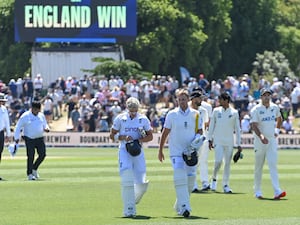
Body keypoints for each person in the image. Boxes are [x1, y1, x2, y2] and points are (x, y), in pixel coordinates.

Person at [158, 89, 203, 217]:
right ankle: (185, 208)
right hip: (176, 152)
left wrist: (196, 142)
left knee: (190, 180)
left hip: (190, 152)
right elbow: (165, 133)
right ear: (177, 100)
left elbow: (200, 132)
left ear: (188, 100)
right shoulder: (172, 114)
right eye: (179, 99)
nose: (182, 101)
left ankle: (179, 204)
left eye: (184, 99)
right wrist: (160, 150)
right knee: (179, 177)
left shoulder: (196, 114)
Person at [109, 97, 153, 217]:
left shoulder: (143, 119)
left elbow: (150, 137)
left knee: (141, 181)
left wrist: (139, 139)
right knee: (127, 177)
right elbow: (112, 135)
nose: (133, 112)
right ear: (127, 108)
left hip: (138, 151)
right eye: (131, 110)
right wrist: (123, 137)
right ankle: (129, 209)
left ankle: (133, 200)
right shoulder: (120, 118)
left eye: (135, 110)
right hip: (124, 150)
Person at [250, 88, 286, 199]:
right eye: (264, 95)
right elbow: (254, 125)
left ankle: (277, 191)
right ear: (261, 97)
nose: (267, 97)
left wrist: (277, 130)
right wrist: (261, 136)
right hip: (259, 141)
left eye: (268, 95)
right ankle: (257, 191)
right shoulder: (256, 109)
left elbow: (279, 119)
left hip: (271, 141)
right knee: (259, 166)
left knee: (272, 164)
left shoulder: (274, 107)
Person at [207, 92, 242, 193]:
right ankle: (213, 179)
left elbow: (237, 129)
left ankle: (225, 185)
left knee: (227, 164)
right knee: (218, 161)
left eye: (221, 100)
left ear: (226, 100)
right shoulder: (216, 111)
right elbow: (211, 126)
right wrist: (210, 139)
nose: (219, 102)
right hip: (218, 141)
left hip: (229, 142)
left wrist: (239, 144)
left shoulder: (234, 112)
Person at [14, 101, 50, 180]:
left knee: (42, 155)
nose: (38, 112)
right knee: (31, 156)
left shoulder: (41, 115)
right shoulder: (25, 116)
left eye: (39, 110)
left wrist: (47, 128)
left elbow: (45, 124)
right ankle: (29, 174)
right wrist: (16, 137)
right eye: (37, 110)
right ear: (33, 108)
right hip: (29, 138)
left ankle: (34, 168)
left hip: (40, 138)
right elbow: (18, 127)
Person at [188, 90, 211, 192]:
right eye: (199, 98)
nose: (201, 100)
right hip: (191, 140)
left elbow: (206, 125)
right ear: (193, 99)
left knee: (203, 161)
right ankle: (193, 185)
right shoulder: (187, 110)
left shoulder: (204, 111)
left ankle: (205, 183)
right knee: (192, 162)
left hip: (202, 139)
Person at [0, 93, 11, 180]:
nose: (2, 103)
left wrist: (8, 134)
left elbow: (6, 122)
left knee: (0, 153)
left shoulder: (4, 109)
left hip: (1, 133)